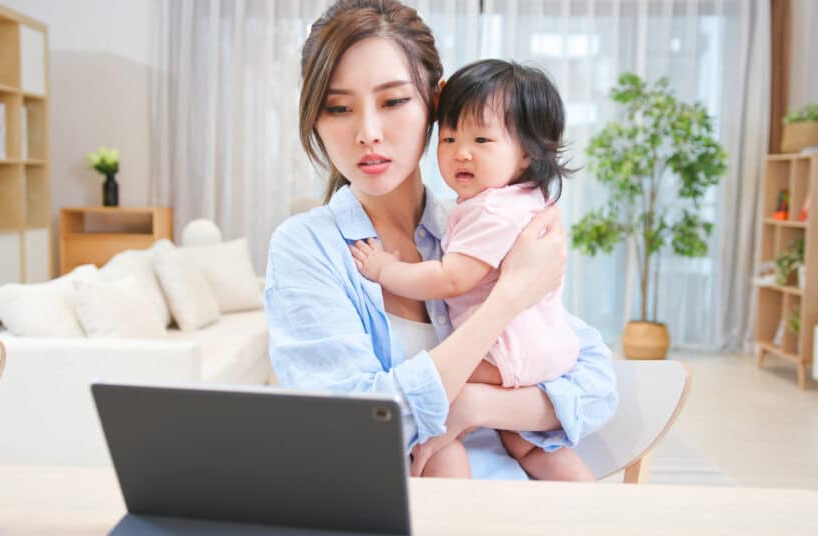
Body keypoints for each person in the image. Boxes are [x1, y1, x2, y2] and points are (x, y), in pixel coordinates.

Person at [264, 0, 617, 480]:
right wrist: (507, 299)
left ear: (436, 100)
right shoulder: (307, 249)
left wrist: (474, 405)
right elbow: (352, 431)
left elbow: (595, 383)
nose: (368, 133)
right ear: (315, 119)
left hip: (526, 506)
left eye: (392, 102)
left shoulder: (473, 226)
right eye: (338, 108)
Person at [349, 59, 592, 480]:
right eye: (448, 137)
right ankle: (595, 507)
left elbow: (451, 277)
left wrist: (387, 269)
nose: (461, 152)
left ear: (527, 153)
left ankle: (456, 499)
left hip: (507, 349)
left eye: (482, 139)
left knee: (436, 400)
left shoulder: (494, 210)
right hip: (540, 346)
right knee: (528, 445)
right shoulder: (521, 200)